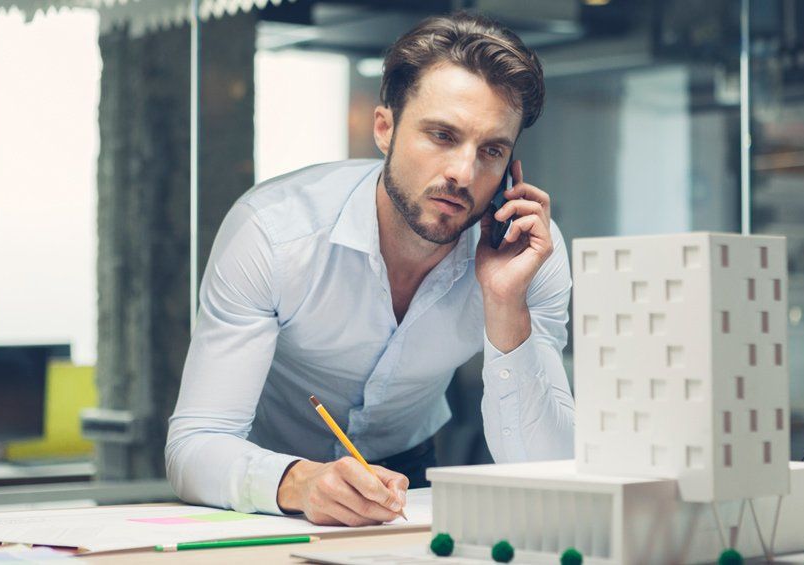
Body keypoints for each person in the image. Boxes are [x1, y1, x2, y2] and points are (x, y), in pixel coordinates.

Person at [165, 11, 574, 527]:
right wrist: (299, 481)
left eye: (491, 150)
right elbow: (194, 446)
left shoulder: (529, 256)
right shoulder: (274, 233)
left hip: (411, 471)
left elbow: (548, 472)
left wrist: (504, 303)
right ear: (385, 128)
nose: (463, 173)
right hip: (268, 480)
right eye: (442, 135)